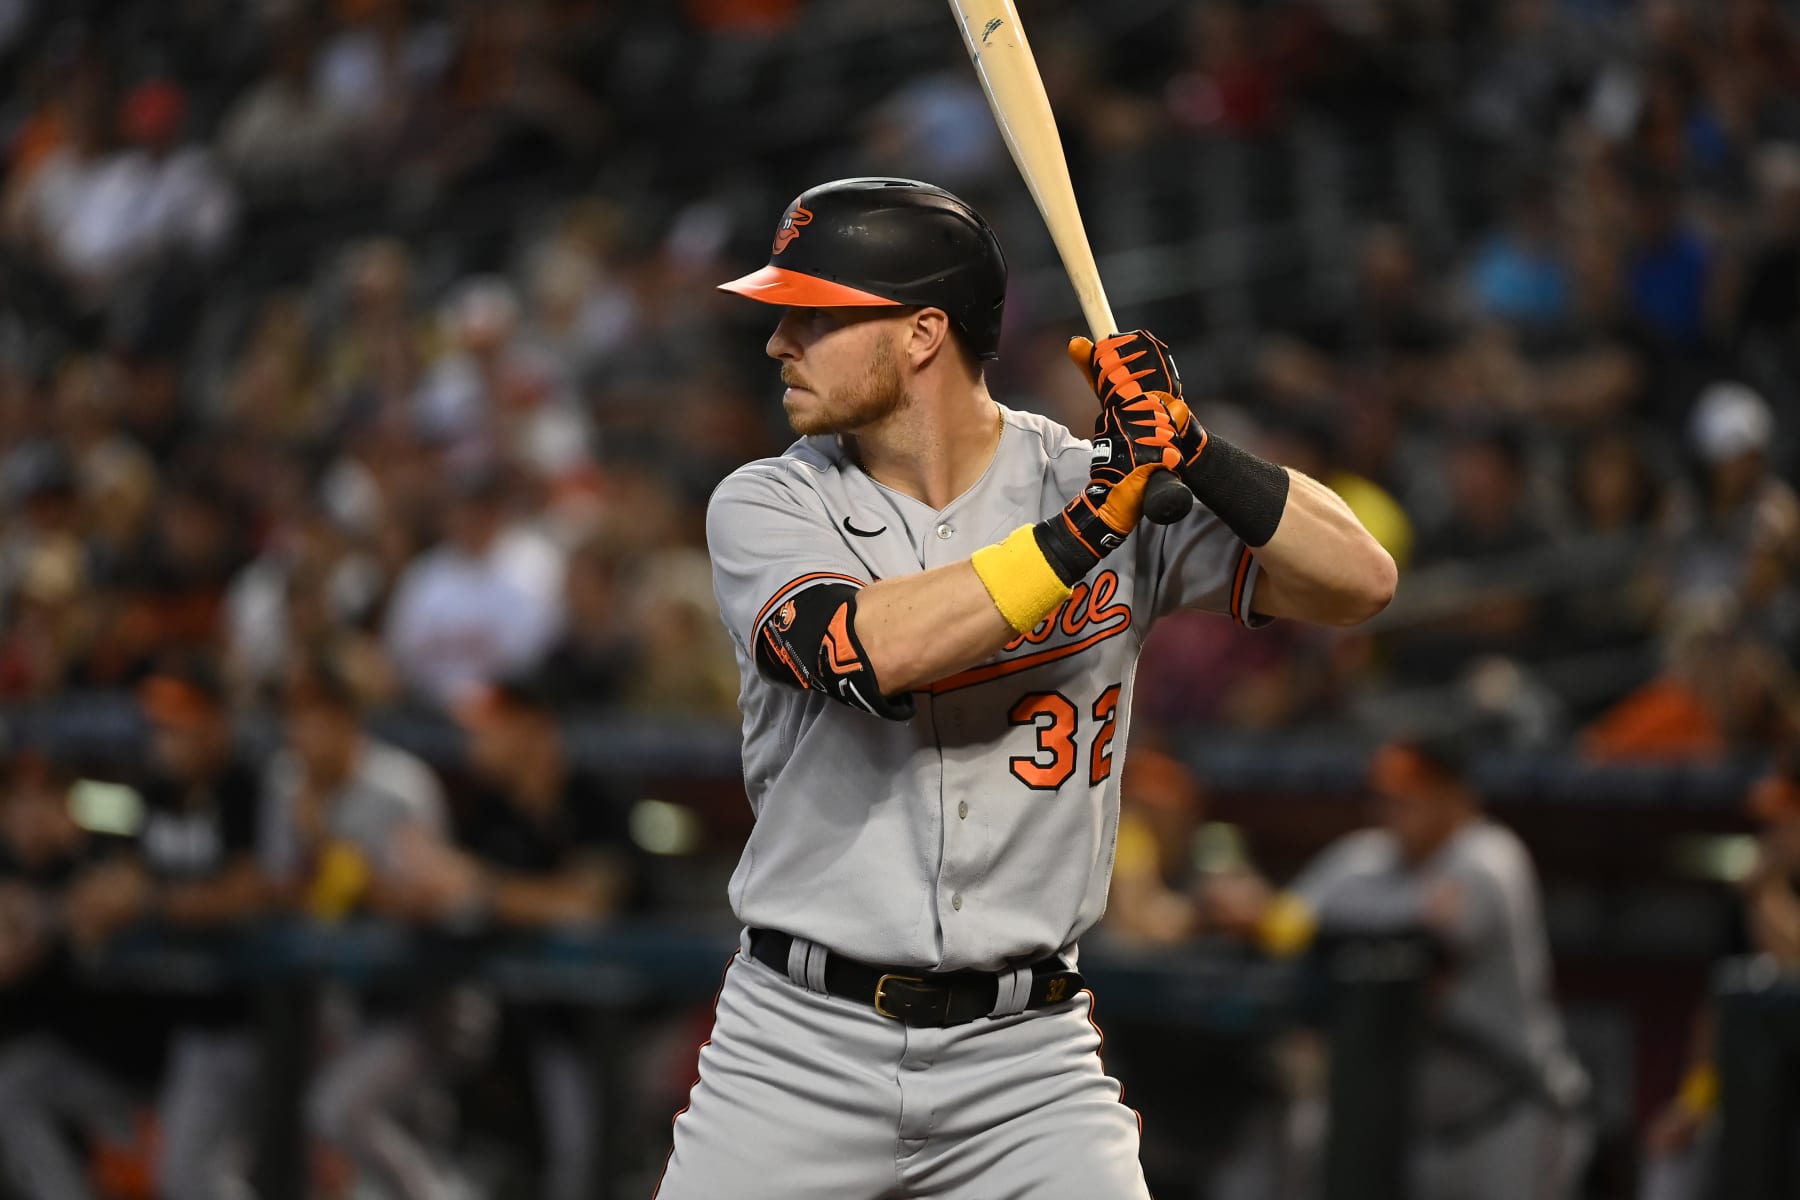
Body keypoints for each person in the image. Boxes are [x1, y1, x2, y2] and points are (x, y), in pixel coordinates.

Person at [658, 176, 1395, 1198]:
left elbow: (1359, 582)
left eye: (814, 313)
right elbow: (861, 649)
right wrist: (1086, 531)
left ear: (922, 333)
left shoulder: (1090, 476)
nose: (779, 340)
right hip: (798, 1048)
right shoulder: (772, 499)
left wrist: (1198, 448)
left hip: (1025, 1060)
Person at [1205, 735, 1592, 1200]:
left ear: (1455, 795)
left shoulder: (1489, 858)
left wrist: (1275, 921)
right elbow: (1289, 929)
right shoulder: (1360, 860)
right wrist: (1258, 916)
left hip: (1509, 1114)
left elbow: (1414, 950)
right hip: (1415, 1135)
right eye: (1384, 793)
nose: (1391, 807)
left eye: (1411, 791)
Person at [257, 653, 460, 1200]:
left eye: (315, 713)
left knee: (338, 1113)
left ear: (348, 718)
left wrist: (338, 861)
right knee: (352, 1151)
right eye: (293, 714)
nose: (299, 729)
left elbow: (428, 898)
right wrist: (314, 859)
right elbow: (278, 891)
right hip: (337, 999)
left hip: (417, 999)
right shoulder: (287, 783)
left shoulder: (402, 786)